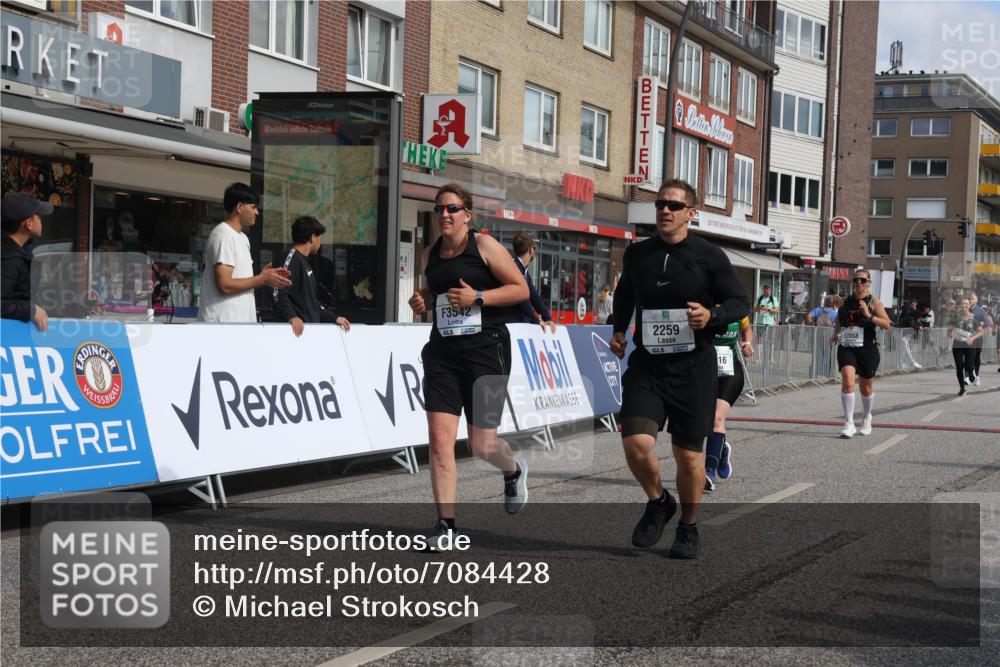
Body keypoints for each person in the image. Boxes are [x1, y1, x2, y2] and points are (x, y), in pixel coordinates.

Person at [609, 178, 749, 560]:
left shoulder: (709, 256)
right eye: (660, 205)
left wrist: (712, 315)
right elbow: (625, 294)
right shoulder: (638, 254)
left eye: (673, 205)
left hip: (694, 368)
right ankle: (659, 502)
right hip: (648, 365)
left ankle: (688, 525)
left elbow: (740, 301)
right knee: (636, 444)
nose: (665, 211)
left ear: (691, 213)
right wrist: (619, 329)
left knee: (688, 456)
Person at [408, 183, 530, 550]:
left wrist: (477, 296)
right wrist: (422, 299)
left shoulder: (485, 246)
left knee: (482, 442)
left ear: (467, 214)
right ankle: (445, 527)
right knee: (439, 440)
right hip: (443, 354)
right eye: (439, 209)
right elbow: (434, 293)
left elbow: (520, 289)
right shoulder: (428, 254)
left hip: (486, 352)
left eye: (452, 208)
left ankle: (513, 470)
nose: (444, 214)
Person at [198, 183, 291, 323]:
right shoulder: (223, 236)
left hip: (240, 324)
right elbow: (225, 285)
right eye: (253, 207)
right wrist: (262, 279)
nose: (257, 212)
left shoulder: (242, 238)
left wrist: (264, 278)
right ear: (240, 207)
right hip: (222, 324)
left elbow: (241, 283)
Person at [830, 269, 892, 438]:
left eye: (862, 280)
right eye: (856, 280)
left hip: (867, 349)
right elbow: (839, 319)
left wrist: (869, 315)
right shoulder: (845, 301)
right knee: (848, 381)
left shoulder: (874, 303)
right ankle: (849, 422)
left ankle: (866, 416)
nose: (859, 283)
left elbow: (887, 324)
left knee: (866, 387)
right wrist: (835, 334)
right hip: (847, 346)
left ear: (868, 283)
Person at [272, 216, 351, 336]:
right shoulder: (292, 258)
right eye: (320, 238)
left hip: (308, 333)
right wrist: (291, 316)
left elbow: (312, 304)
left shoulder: (304, 262)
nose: (320, 242)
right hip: (294, 335)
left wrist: (334, 318)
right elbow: (278, 292)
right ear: (313, 237)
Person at [704, 314, 752, 492]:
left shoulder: (736, 310)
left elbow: (746, 329)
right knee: (704, 420)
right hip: (704, 370)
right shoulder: (701, 307)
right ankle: (721, 449)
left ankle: (709, 472)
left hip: (730, 369)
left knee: (717, 418)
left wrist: (747, 343)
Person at [1, 192, 53, 331]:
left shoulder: (20, 253)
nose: (41, 220)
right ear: (29, 223)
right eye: (39, 216)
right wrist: (30, 310)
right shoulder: (9, 259)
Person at [511, 233, 555, 331]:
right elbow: (522, 298)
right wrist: (535, 320)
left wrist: (547, 318)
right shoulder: (515, 267)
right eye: (534, 248)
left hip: (515, 323)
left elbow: (534, 297)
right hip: (510, 323)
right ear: (530, 250)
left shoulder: (523, 271)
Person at [949, 298, 983, 396]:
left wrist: (973, 338)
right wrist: (950, 335)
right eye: (962, 303)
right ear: (959, 305)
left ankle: (972, 375)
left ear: (969, 305)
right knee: (959, 366)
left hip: (970, 345)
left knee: (968, 366)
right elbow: (950, 330)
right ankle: (962, 388)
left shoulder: (973, 318)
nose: (964, 305)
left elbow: (981, 332)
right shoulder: (955, 318)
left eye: (966, 303)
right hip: (957, 344)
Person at [968, 292, 988, 386]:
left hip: (978, 338)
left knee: (976, 357)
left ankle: (977, 376)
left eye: (972, 299)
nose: (970, 300)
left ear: (976, 300)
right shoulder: (965, 309)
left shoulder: (981, 311)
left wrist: (982, 323)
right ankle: (969, 375)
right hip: (967, 338)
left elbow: (987, 323)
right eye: (969, 298)